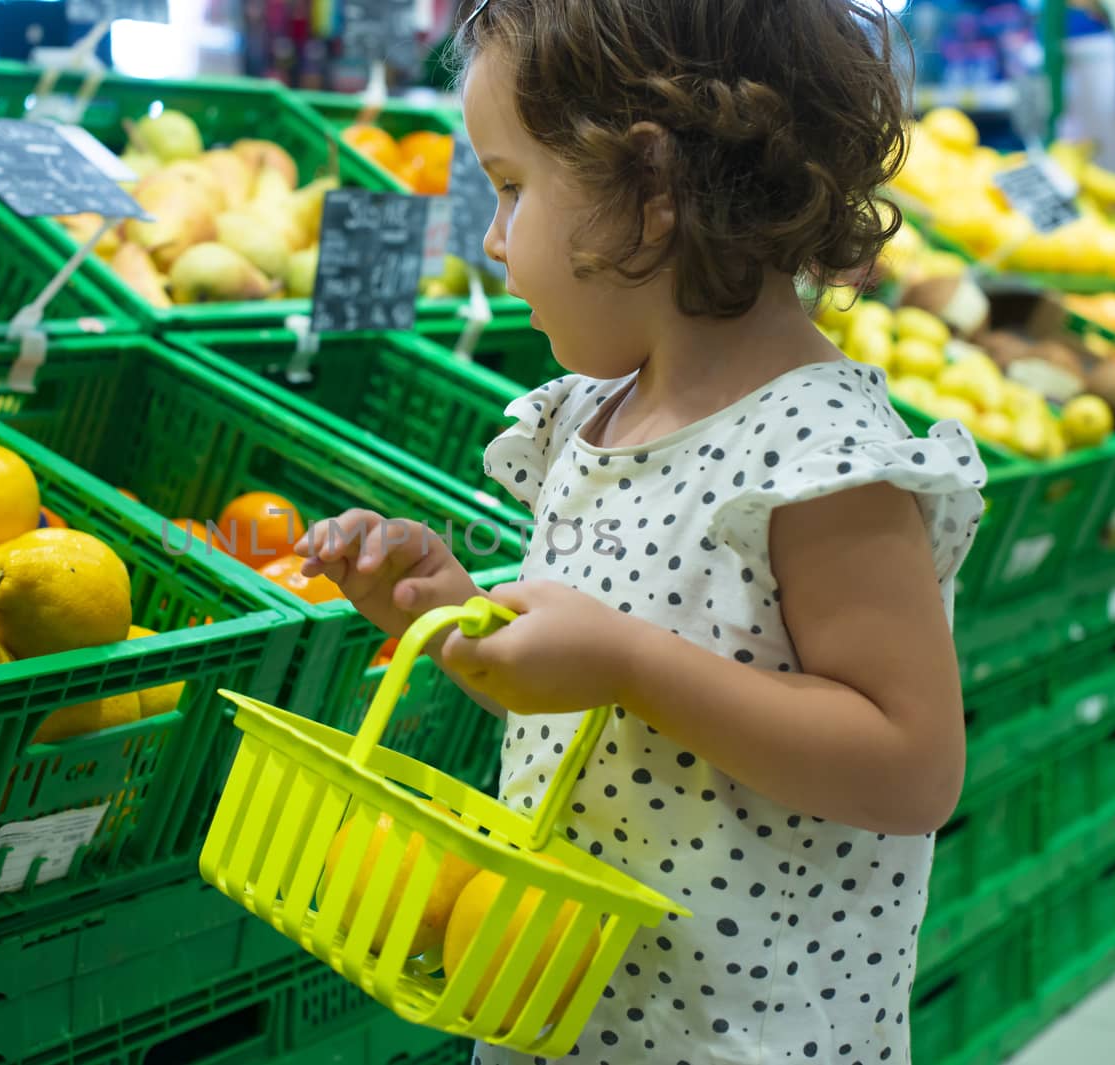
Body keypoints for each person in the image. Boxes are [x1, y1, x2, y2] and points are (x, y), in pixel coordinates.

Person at [293, 1, 987, 1062]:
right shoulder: (591, 415)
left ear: (650, 192)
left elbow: (911, 766)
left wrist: (627, 662)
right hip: (561, 1004)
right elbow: (574, 691)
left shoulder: (819, 458)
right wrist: (449, 615)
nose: (490, 239)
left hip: (737, 1036)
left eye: (512, 188)